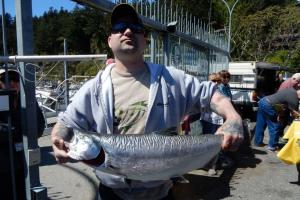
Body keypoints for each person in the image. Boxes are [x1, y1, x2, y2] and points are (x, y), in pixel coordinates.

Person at [51, 4, 243, 200]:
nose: (127, 31)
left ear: (145, 40)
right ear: (110, 41)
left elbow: (213, 96)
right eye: (120, 27)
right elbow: (65, 124)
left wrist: (233, 119)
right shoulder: (93, 88)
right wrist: (58, 141)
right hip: (110, 193)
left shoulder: (172, 78)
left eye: (135, 28)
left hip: (161, 193)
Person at [0, 68, 45, 199]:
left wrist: (13, 130)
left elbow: (39, 127)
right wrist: (18, 131)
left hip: (24, 163)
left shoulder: (26, 101)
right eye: (5, 79)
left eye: (15, 79)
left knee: (24, 194)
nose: (12, 83)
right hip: (3, 166)